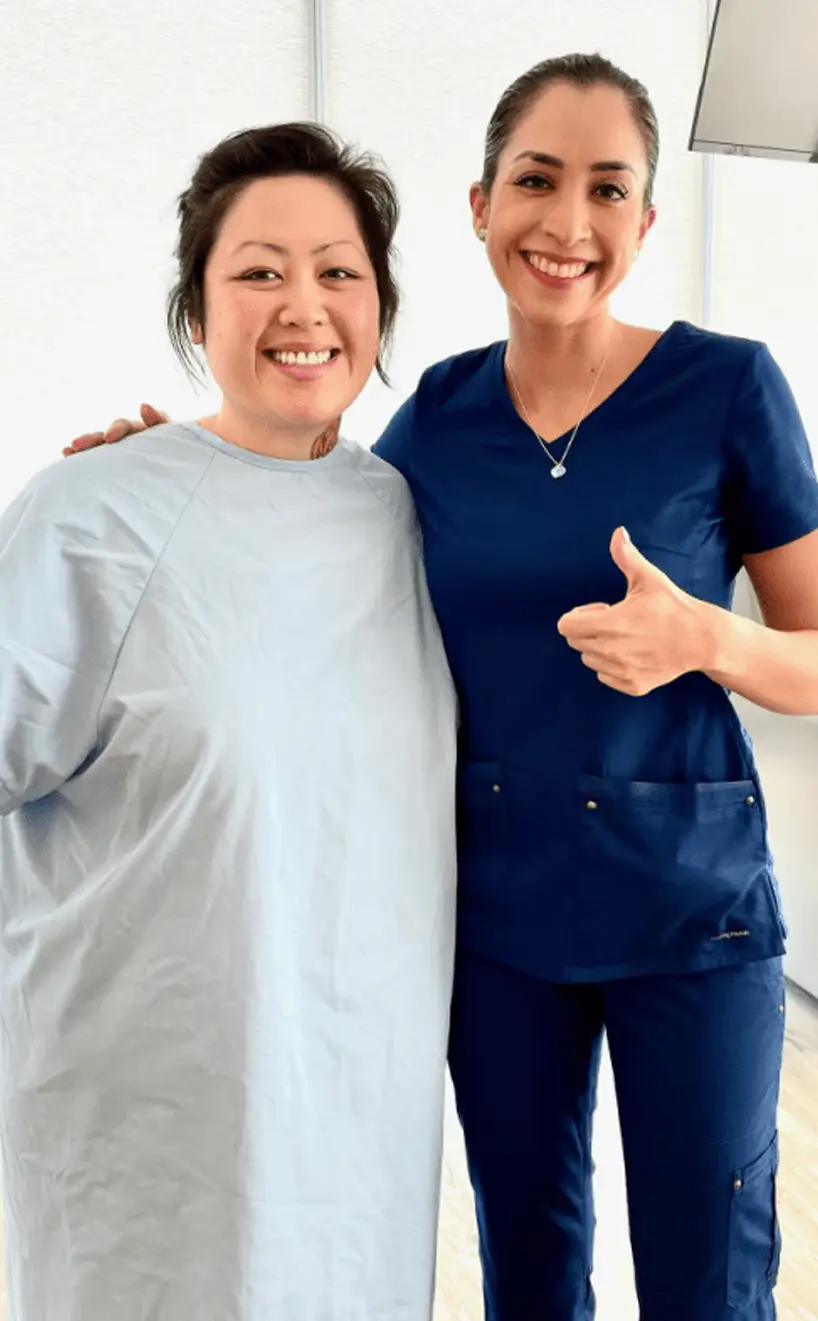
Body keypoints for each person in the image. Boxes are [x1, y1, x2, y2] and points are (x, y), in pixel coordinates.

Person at [65, 53, 818, 1321]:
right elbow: (302, 508)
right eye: (534, 179)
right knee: (526, 1258)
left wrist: (707, 641)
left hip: (692, 917)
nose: (565, 222)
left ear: (644, 221)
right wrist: (162, 469)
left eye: (605, 188)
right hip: (495, 919)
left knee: (708, 1272)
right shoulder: (437, 418)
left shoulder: (727, 389)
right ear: (479, 205)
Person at [0, 123, 458, 1321]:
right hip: (151, 1133)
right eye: (258, 270)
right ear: (196, 313)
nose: (303, 304)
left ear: (377, 308)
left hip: (358, 1125)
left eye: (337, 270)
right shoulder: (90, 516)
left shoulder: (411, 520)